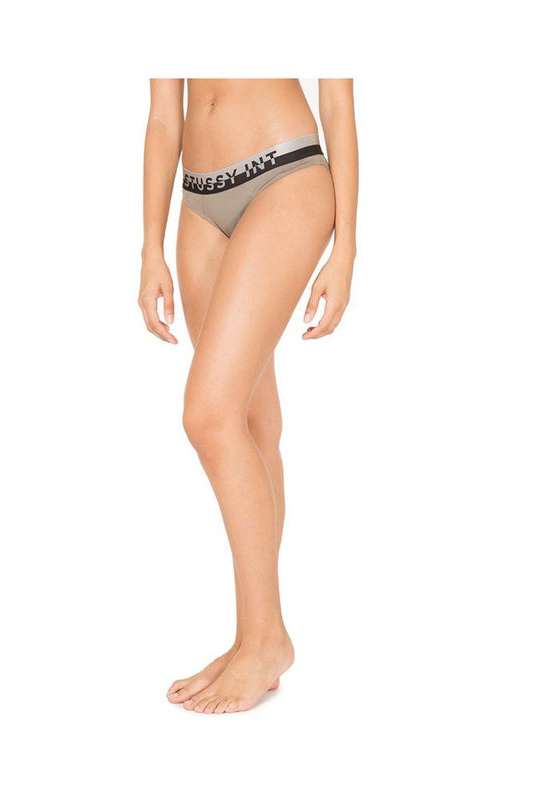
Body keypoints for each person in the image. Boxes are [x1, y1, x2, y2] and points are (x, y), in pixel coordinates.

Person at [139, 79, 358, 713]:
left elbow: (337, 101)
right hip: (198, 200)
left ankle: (267, 638)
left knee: (208, 417)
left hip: (284, 174)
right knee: (252, 425)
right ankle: (250, 640)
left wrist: (345, 249)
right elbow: (163, 116)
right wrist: (150, 247)